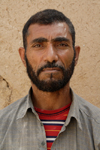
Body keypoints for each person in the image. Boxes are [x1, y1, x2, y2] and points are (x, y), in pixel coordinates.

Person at [0, 9, 100, 150]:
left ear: (76, 55)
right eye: (38, 45)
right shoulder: (2, 126)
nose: (51, 56)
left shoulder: (96, 126)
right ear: (23, 57)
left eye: (61, 44)